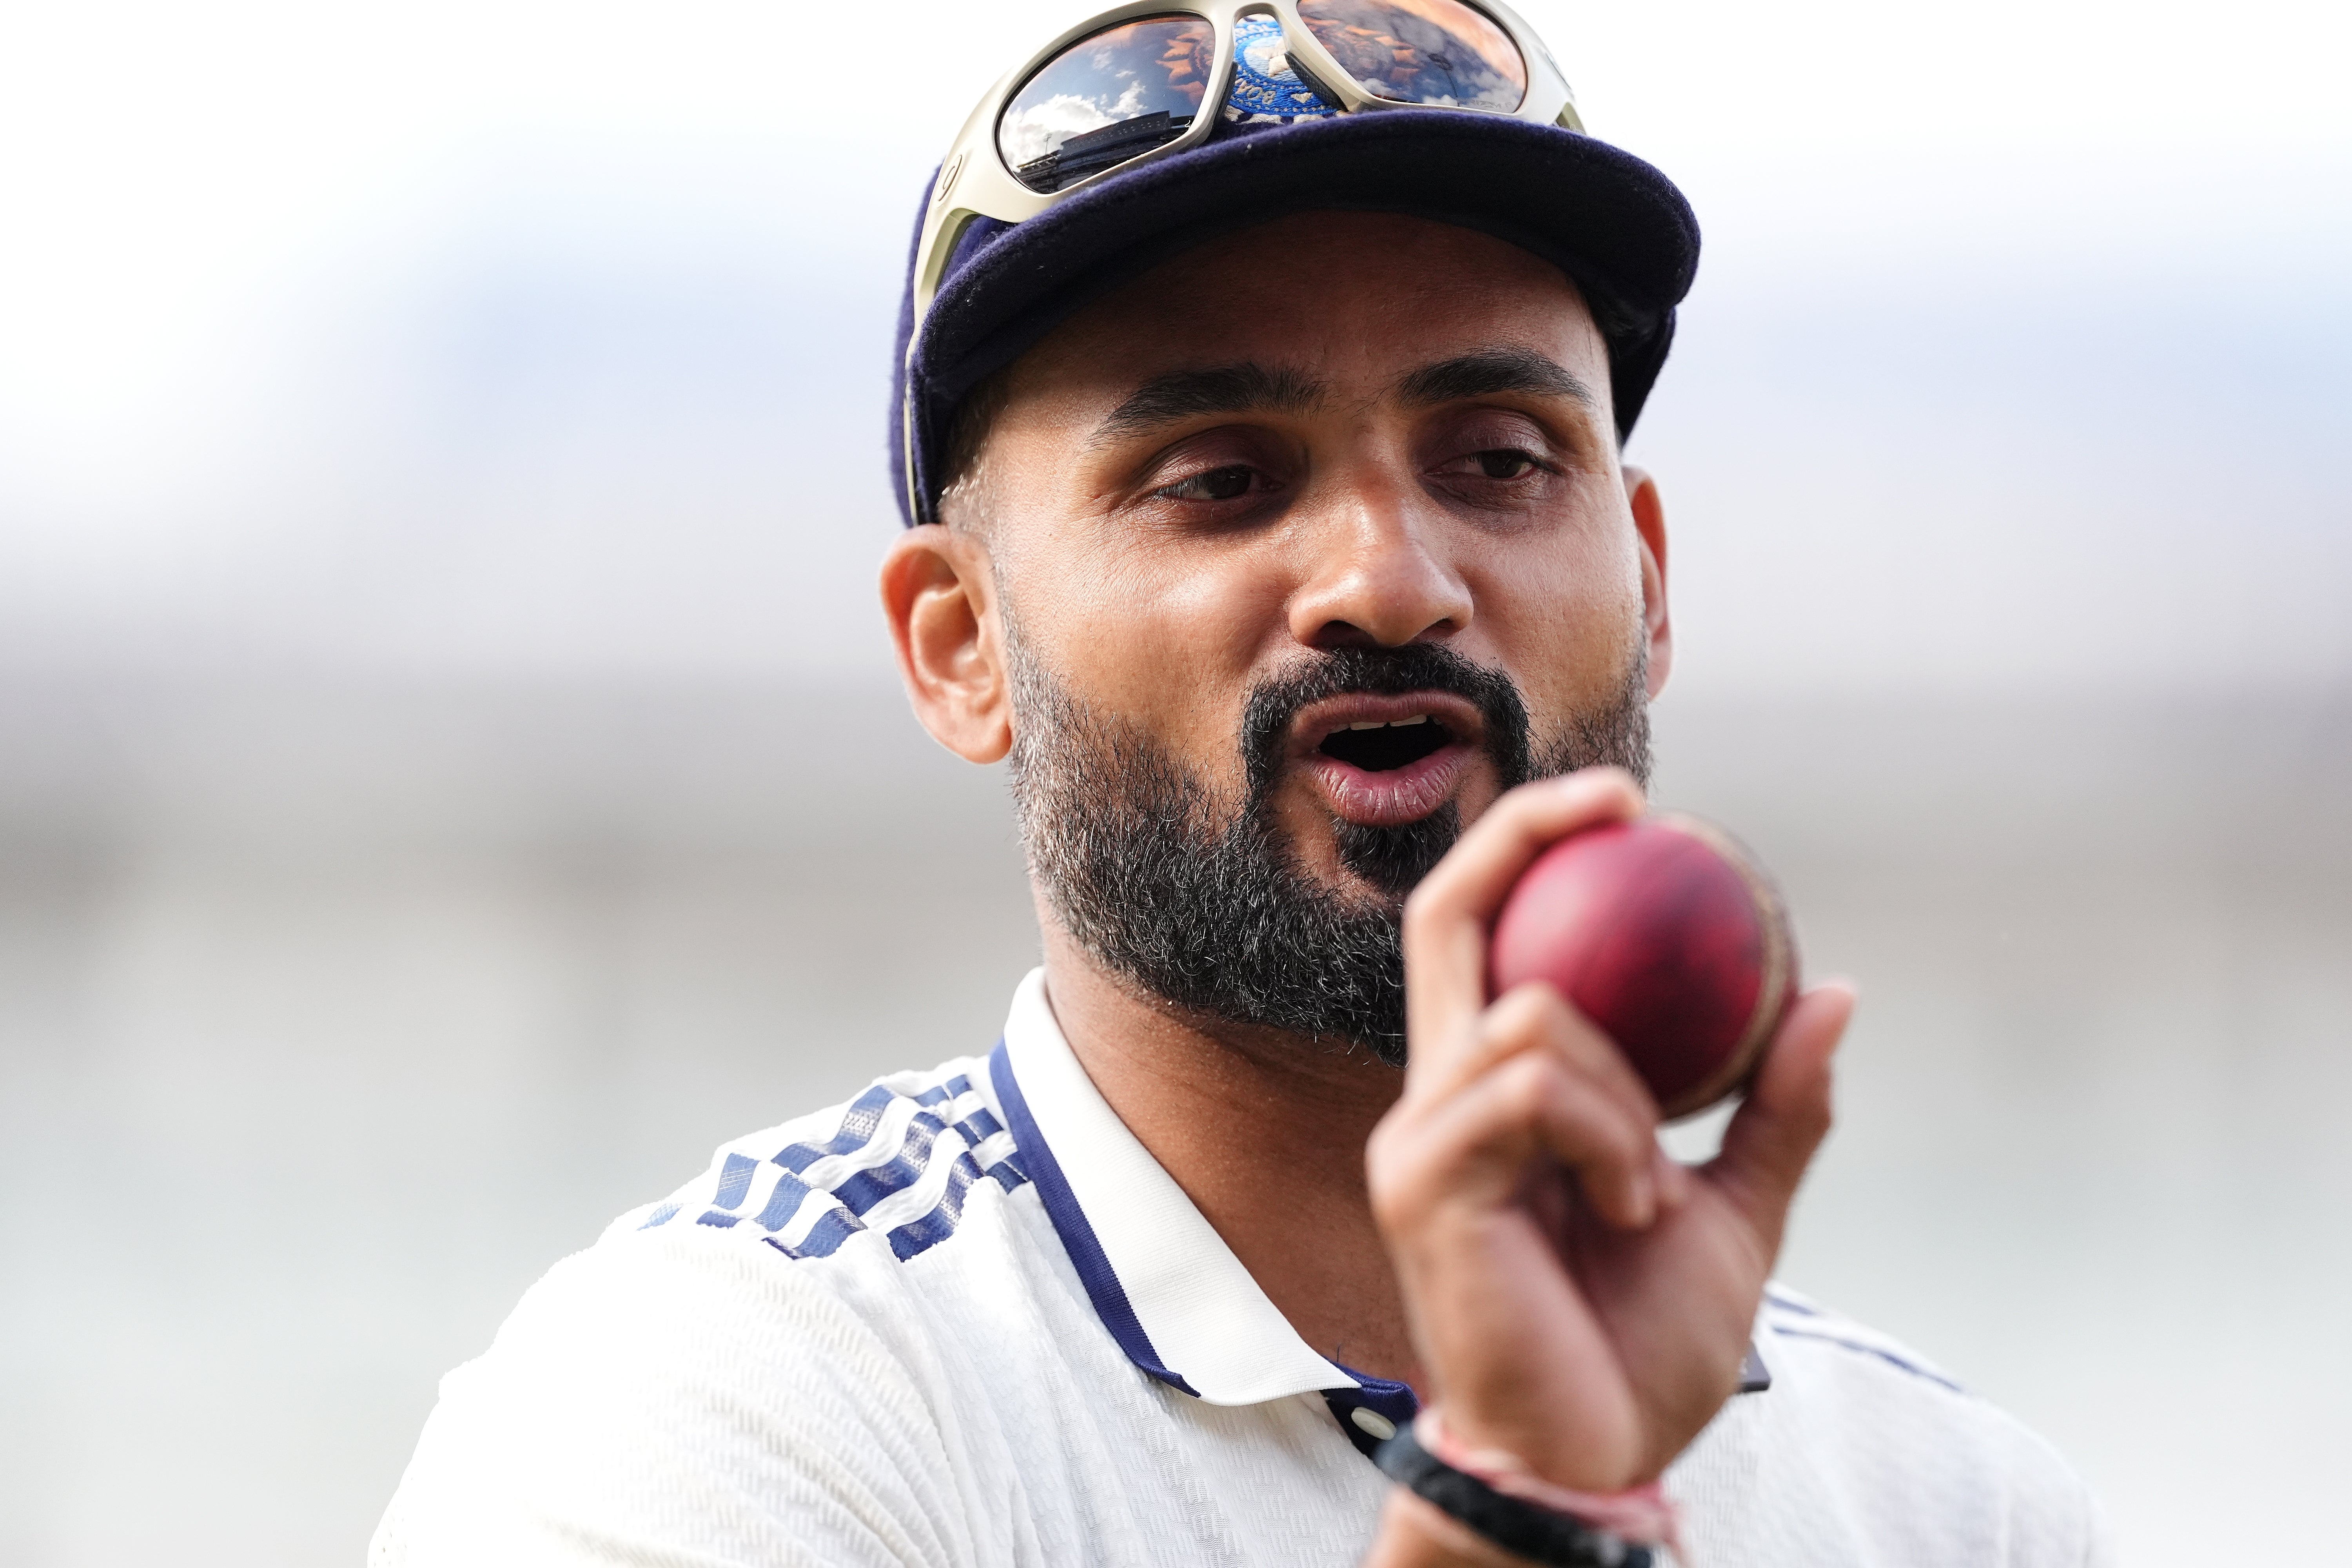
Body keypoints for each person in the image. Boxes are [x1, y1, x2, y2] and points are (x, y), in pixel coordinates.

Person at [373, 4, 2110, 1564]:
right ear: (963, 646)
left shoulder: (1953, 1510)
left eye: (1501, 460)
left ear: (1650, 584)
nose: (1390, 579)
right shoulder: (715, 1411)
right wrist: (1520, 1504)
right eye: (1219, 478)